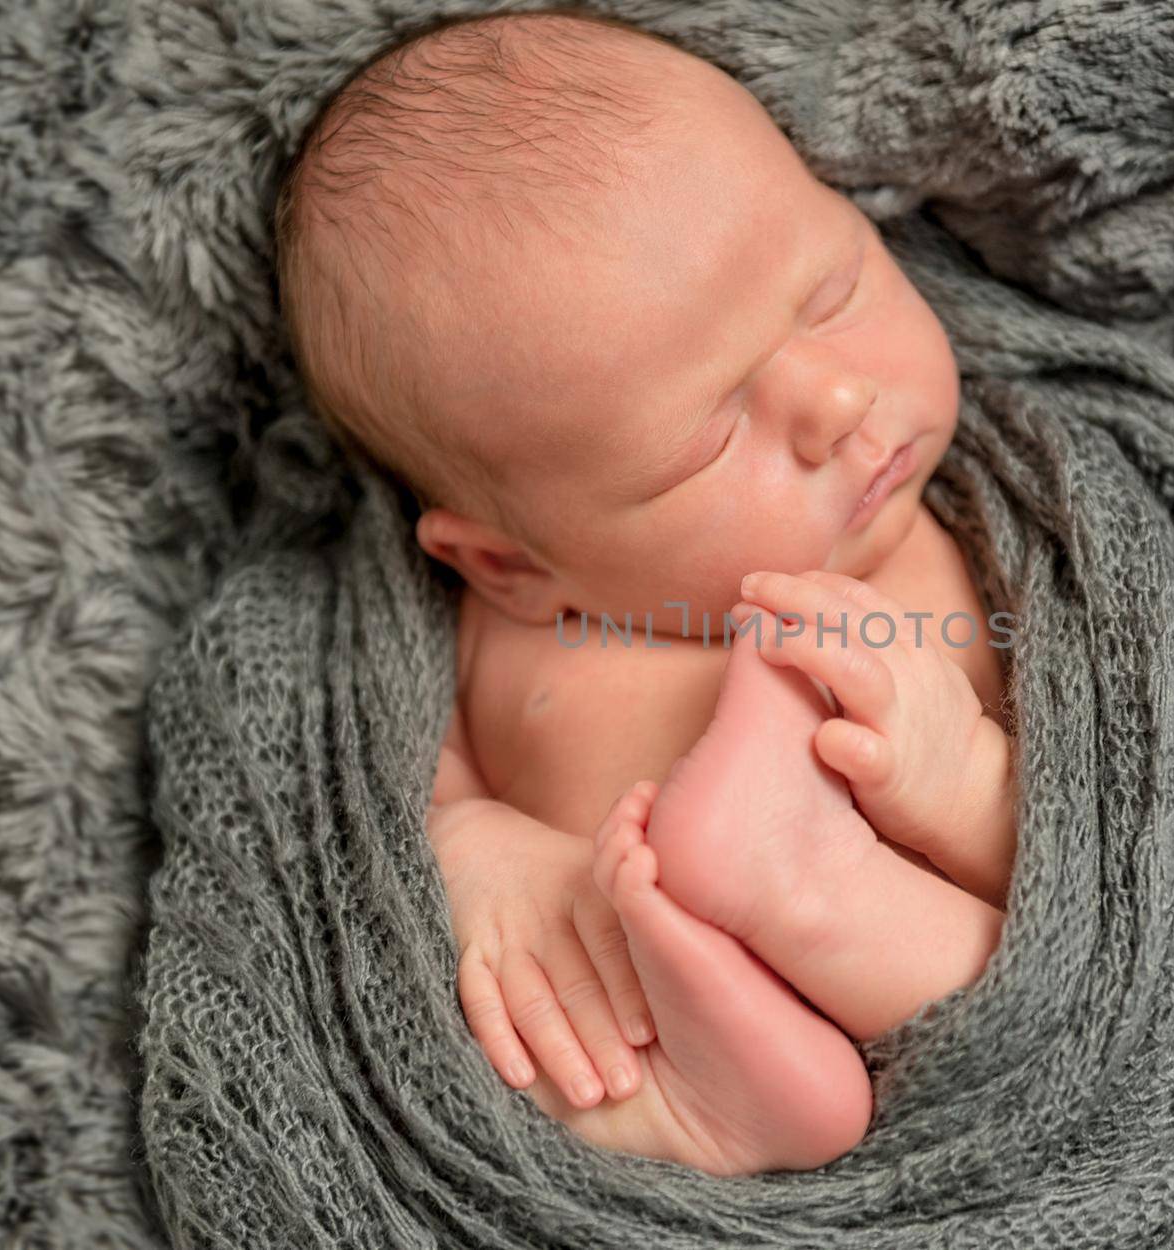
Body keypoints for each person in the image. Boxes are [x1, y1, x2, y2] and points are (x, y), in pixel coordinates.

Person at [273, 6, 1018, 1176]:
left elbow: (1105, 825)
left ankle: (810, 898)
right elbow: (357, 779)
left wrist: (959, 783)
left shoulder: (944, 562)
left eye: (831, 291)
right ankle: (701, 1101)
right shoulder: (449, 627)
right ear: (512, 564)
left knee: (996, 965)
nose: (831, 403)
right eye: (706, 441)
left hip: (912, 966)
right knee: (529, 1027)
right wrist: (470, 846)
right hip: (634, 994)